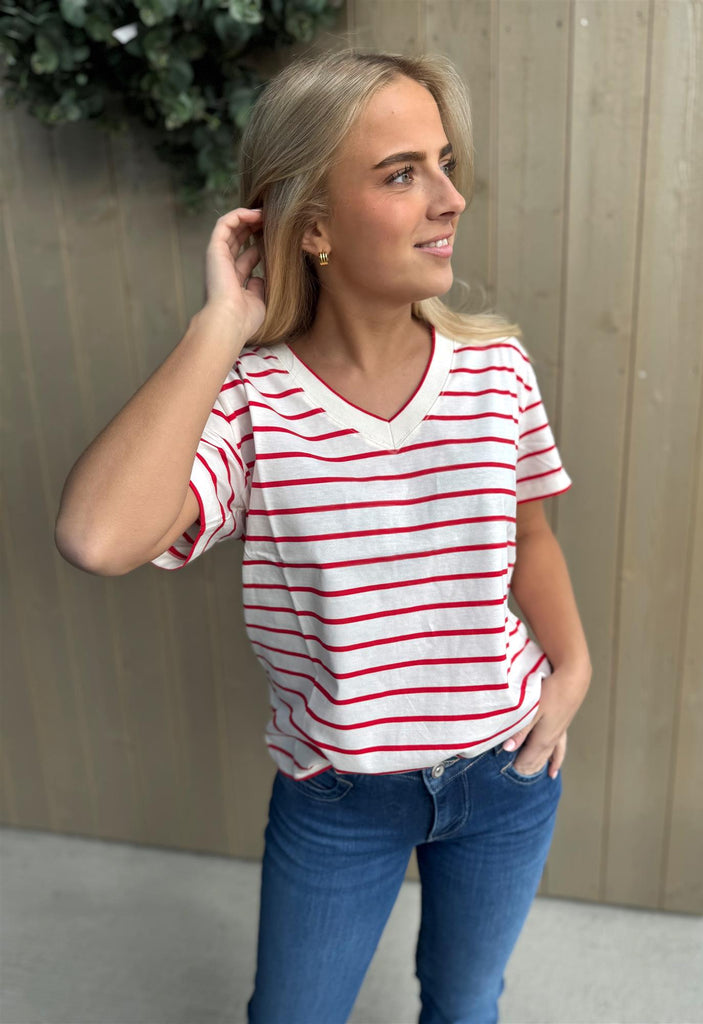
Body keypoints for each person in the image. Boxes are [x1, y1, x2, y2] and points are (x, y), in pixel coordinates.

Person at [55, 49, 591, 1024]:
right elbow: (96, 537)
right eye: (402, 174)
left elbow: (532, 540)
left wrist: (576, 673)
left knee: (466, 1003)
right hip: (340, 795)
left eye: (446, 165)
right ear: (312, 226)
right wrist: (222, 325)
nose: (452, 198)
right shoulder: (250, 407)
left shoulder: (496, 370)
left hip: (507, 769)